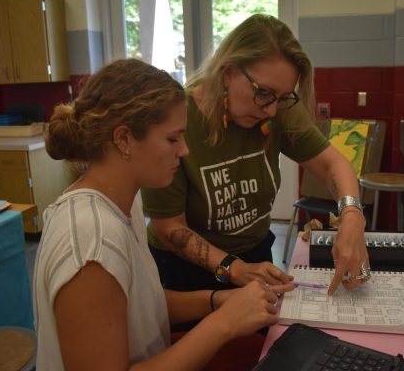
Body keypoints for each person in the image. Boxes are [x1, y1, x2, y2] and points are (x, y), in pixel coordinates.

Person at [34, 58, 293, 370]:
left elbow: (139, 305)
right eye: (173, 138)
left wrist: (214, 301)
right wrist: (223, 323)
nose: (184, 151)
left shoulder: (121, 203)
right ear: (124, 139)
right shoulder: (92, 241)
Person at [141, 14, 371, 300]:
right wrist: (232, 268)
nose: (272, 111)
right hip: (185, 273)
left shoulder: (276, 106)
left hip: (256, 258)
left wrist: (352, 216)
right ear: (227, 71)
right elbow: (169, 227)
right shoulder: (179, 120)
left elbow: (332, 163)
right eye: (263, 93)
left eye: (283, 97)